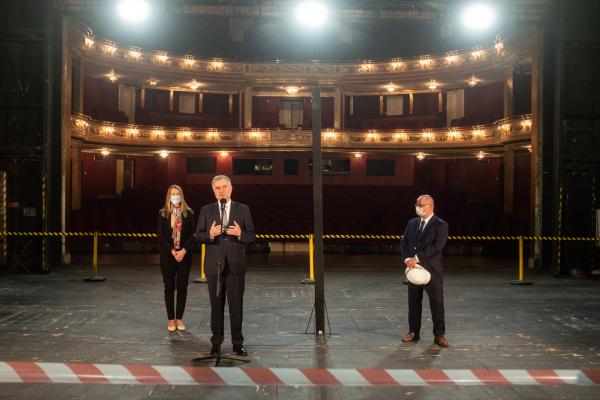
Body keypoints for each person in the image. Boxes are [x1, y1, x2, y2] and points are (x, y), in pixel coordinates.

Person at [195, 175, 255, 356]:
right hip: (215, 266)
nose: (221, 190)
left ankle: (238, 344)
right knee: (216, 306)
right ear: (213, 191)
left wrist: (240, 233)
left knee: (236, 307)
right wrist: (210, 235)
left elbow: (251, 236)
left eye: (224, 187)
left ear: (231, 188)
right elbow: (198, 236)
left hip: (236, 265)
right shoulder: (206, 210)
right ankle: (216, 344)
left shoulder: (243, 209)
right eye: (217, 188)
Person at [400, 194, 449, 347]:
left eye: (422, 205)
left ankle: (439, 334)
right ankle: (413, 332)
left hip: (432, 271)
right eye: (417, 204)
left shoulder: (441, 225)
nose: (418, 207)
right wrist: (407, 258)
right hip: (414, 270)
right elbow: (404, 242)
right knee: (413, 302)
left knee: (437, 302)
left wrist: (417, 257)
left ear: (431, 207)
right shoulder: (412, 223)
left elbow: (437, 246)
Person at [157, 185, 195, 332]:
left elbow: (192, 235)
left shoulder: (188, 213)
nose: (175, 196)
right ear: (169, 196)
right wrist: (172, 251)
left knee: (182, 287)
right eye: (172, 194)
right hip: (168, 256)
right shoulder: (162, 214)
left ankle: (179, 318)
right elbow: (160, 236)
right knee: (169, 288)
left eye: (177, 194)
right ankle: (170, 320)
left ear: (181, 196)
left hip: (184, 256)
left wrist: (183, 250)